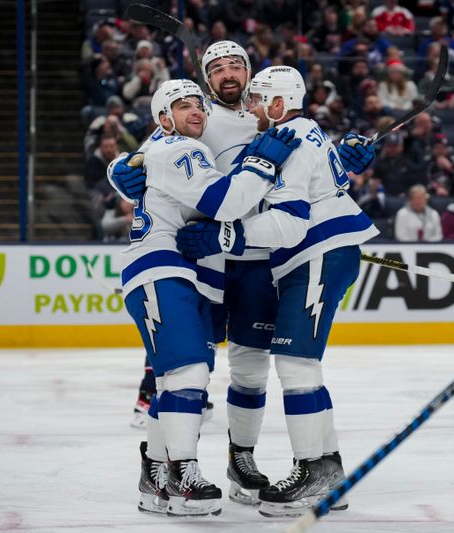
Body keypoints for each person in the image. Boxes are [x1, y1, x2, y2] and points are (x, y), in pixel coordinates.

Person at [109, 41, 377, 509]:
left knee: (251, 368)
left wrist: (342, 160)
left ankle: (242, 460)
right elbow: (145, 156)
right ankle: (159, 466)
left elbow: (305, 165)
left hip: (259, 259)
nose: (228, 74)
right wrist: (119, 169)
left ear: (251, 77)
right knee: (181, 369)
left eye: (237, 66)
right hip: (205, 260)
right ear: (204, 79)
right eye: (217, 68)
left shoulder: (268, 117)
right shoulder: (194, 114)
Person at [175, 65, 380, 518]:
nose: (250, 108)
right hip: (310, 257)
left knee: (295, 363)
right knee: (298, 364)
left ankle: (315, 471)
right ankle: (325, 470)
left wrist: (225, 238)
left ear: (278, 104)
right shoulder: (302, 134)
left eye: (257, 100)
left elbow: (288, 223)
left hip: (316, 253)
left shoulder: (293, 139)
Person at [118, 78, 302, 517]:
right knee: (188, 372)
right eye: (182, 107)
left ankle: (157, 475)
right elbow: (225, 200)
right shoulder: (178, 149)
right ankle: (183, 475)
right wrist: (262, 162)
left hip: (192, 271)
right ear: (164, 120)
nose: (195, 111)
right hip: (163, 267)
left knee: (178, 378)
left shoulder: (180, 147)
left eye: (197, 105)